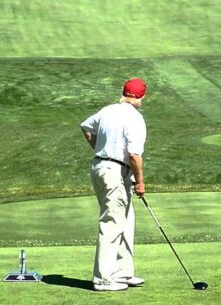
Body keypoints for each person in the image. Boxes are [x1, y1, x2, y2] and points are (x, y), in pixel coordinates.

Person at [80, 78, 147, 291]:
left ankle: (123, 272)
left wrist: (100, 149)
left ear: (124, 93)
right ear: (141, 97)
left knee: (126, 219)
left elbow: (86, 127)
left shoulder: (108, 111)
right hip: (115, 172)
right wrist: (140, 182)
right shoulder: (135, 118)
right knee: (112, 222)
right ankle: (103, 279)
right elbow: (134, 155)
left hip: (101, 167)